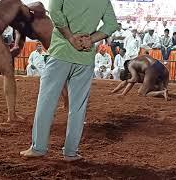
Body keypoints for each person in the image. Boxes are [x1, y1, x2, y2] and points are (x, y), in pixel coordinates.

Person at [20, 0, 118, 161]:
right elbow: (112, 24)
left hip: (60, 53)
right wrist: (90, 40)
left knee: (46, 102)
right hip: (85, 58)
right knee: (78, 108)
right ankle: (71, 152)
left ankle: (38, 148)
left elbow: (55, 12)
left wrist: (70, 37)